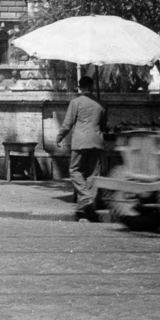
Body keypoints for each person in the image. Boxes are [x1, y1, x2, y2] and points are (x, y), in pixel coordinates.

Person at [57, 74, 109, 222]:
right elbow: (104, 126)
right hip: (96, 141)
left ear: (79, 87)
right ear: (92, 86)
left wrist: (59, 137)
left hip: (80, 141)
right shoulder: (102, 104)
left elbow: (68, 124)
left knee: (75, 170)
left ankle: (86, 198)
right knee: (92, 173)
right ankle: (86, 205)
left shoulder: (75, 102)